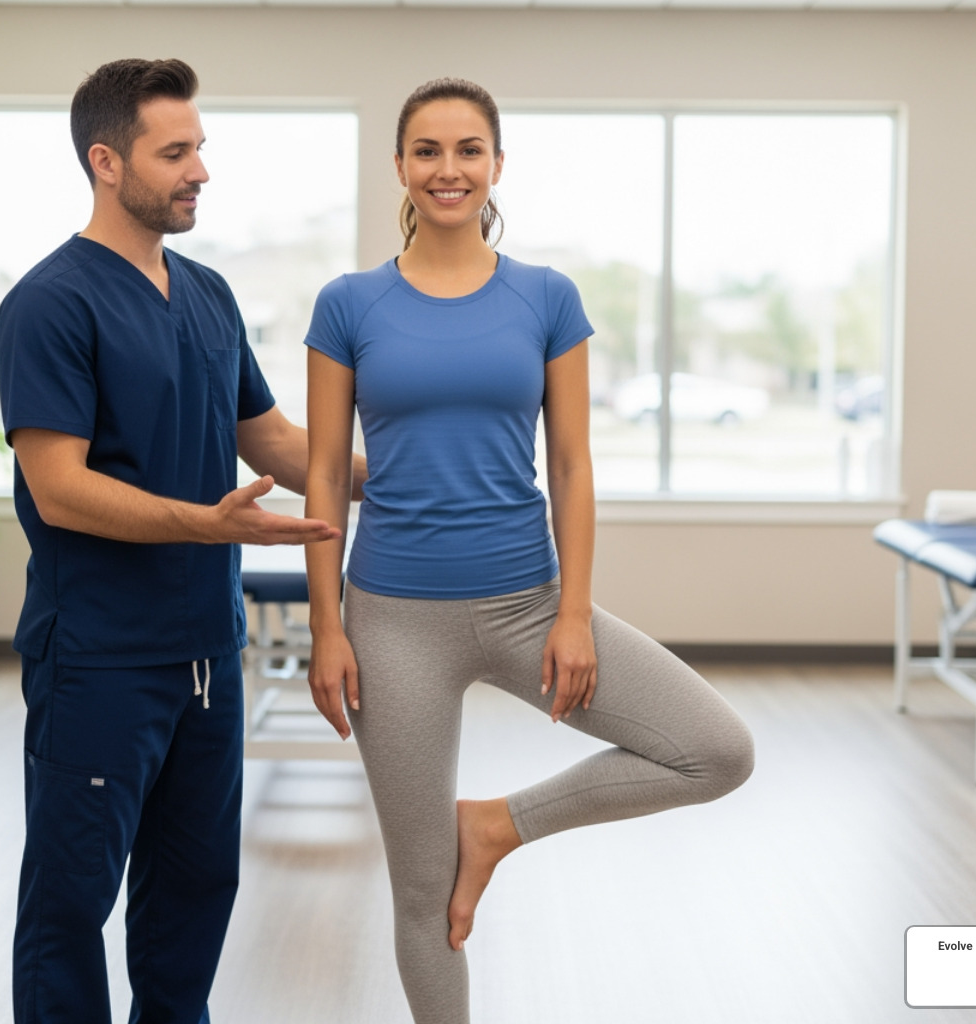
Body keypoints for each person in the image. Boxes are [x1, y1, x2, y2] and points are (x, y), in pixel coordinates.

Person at [302, 78, 755, 1024]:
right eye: (427, 151)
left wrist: (576, 612)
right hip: (391, 621)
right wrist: (327, 628)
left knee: (717, 751)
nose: (448, 169)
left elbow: (575, 464)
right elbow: (321, 478)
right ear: (400, 168)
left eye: (469, 150)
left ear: (498, 165)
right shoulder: (348, 304)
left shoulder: (547, 298)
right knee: (422, 896)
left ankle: (494, 826)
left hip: (529, 604)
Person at [0, 58, 364, 1024]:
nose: (200, 169)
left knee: (196, 894)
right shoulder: (50, 304)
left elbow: (272, 441)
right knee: (72, 908)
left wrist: (404, 470)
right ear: (106, 161)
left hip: (207, 655)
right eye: (176, 152)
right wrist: (209, 525)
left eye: (200, 147)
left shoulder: (206, 294)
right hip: (101, 660)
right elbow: (60, 489)